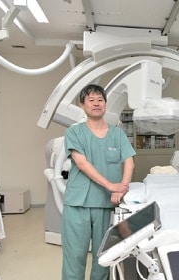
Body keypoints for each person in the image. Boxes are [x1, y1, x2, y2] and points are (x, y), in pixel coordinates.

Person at [61, 84, 136, 280]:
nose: (96, 104)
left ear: (105, 104)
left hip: (107, 204)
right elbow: (81, 163)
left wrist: (123, 186)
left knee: (103, 257)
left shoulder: (117, 134)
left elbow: (129, 161)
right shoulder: (74, 132)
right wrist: (110, 185)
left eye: (100, 100)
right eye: (91, 100)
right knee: (75, 256)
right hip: (79, 204)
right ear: (82, 105)